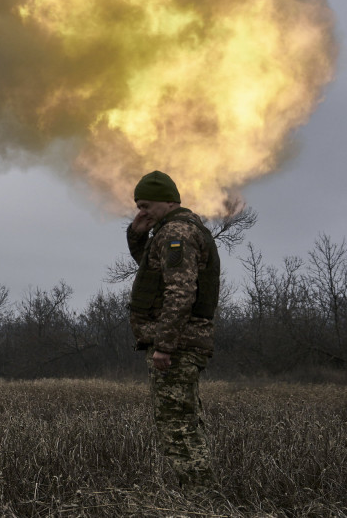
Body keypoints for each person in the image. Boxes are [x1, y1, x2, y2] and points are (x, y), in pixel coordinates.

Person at [127, 170, 221, 493]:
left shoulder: (176, 233)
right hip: (184, 343)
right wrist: (137, 236)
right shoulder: (174, 230)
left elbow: (179, 293)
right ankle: (201, 495)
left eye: (146, 206)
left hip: (178, 347)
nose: (141, 212)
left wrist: (165, 346)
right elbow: (154, 271)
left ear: (168, 202)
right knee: (186, 422)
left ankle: (200, 500)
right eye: (138, 207)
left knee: (177, 426)